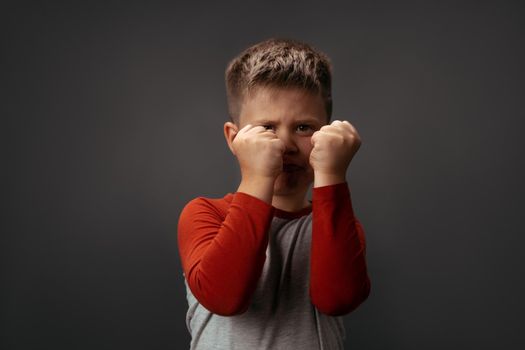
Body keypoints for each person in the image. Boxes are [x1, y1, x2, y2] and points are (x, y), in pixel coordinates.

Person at [177, 37, 371, 350]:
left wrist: (332, 176)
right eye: (267, 127)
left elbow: (338, 299)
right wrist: (257, 177)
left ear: (328, 135)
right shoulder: (203, 214)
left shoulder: (337, 224)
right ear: (234, 138)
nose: (286, 145)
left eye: (304, 128)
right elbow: (225, 298)